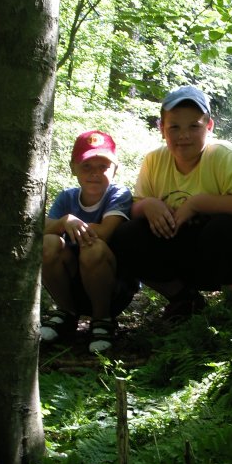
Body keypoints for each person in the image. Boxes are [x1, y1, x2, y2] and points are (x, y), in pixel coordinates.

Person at [109, 85, 232, 319]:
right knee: (125, 234)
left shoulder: (222, 155)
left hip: (231, 257)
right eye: (174, 127)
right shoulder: (154, 160)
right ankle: (184, 298)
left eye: (194, 126)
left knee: (228, 227)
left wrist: (199, 204)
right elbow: (134, 209)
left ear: (209, 127)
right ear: (162, 129)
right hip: (183, 258)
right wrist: (148, 205)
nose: (183, 135)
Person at [40, 129, 135, 353]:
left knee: (93, 247)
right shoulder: (67, 197)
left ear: (115, 169)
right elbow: (42, 229)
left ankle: (102, 319)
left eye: (103, 166)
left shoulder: (118, 194)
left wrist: (72, 225)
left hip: (111, 287)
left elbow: (105, 232)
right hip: (73, 284)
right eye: (87, 166)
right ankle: (66, 312)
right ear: (73, 168)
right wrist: (64, 221)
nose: (95, 173)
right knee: (48, 243)